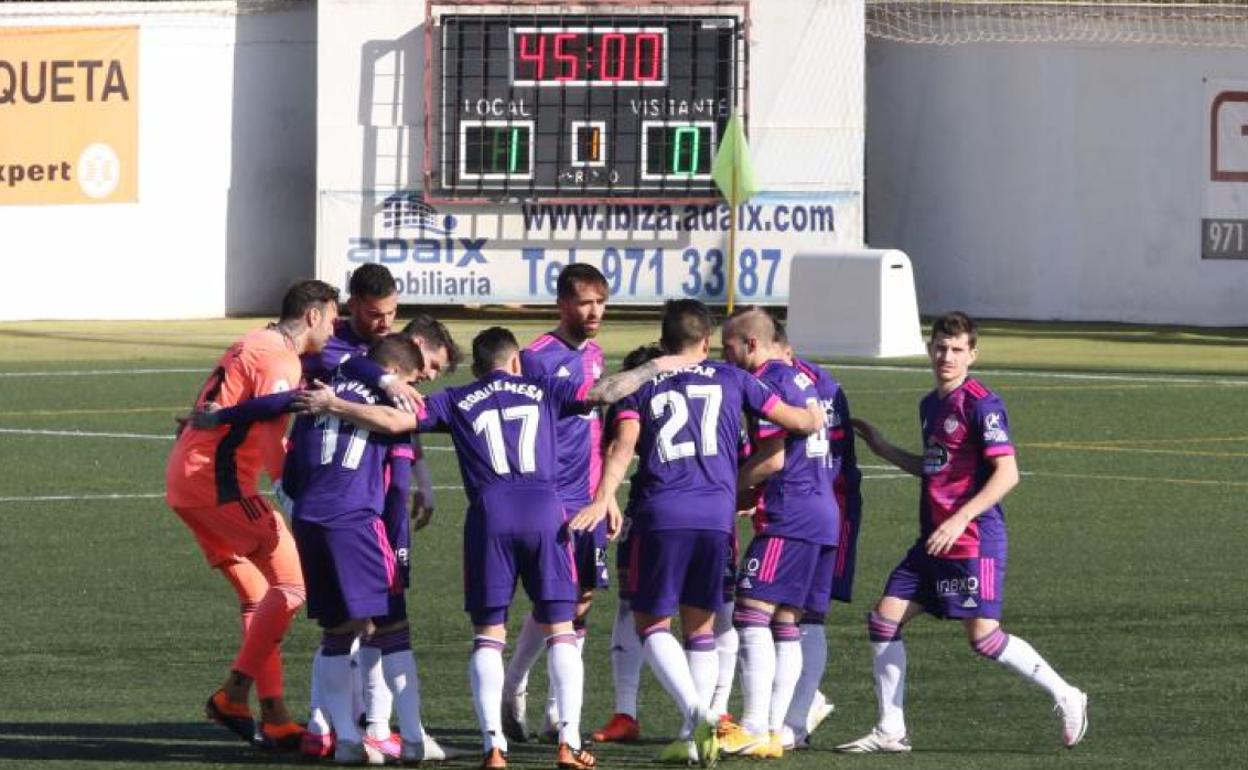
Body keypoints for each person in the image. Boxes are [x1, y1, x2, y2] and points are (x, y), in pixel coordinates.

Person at [297, 325, 697, 770]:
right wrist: (655, 366)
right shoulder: (544, 386)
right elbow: (604, 392)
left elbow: (395, 421)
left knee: (489, 636)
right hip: (545, 511)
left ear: (476, 365)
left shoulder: (455, 397)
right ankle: (569, 741)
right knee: (562, 629)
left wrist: (336, 404)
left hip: (489, 515)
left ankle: (494, 748)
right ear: (516, 361)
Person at [569, 299, 827, 766]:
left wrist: (604, 495)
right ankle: (693, 738)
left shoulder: (641, 385)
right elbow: (797, 421)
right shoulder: (736, 378)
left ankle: (698, 713)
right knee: (701, 629)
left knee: (651, 623)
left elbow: (622, 447)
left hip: (661, 513)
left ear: (663, 340)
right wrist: (813, 414)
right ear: (706, 340)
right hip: (716, 517)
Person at [836, 311, 1088, 753]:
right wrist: (885, 449)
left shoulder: (981, 404)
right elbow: (934, 468)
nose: (945, 357)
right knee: (883, 619)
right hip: (934, 539)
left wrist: (960, 519)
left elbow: (1007, 474)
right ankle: (891, 730)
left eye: (956, 350)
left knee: (984, 638)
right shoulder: (930, 405)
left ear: (972, 354)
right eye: (939, 347)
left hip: (972, 538)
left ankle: (1067, 694)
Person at [164, 279, 339, 749]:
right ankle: (234, 694)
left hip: (187, 477)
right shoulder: (281, 358)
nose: (334, 328)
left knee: (259, 596)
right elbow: (267, 432)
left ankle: (276, 715)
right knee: (293, 587)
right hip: (215, 484)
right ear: (314, 315)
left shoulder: (253, 341)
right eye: (333, 318)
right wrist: (288, 490)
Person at [285, 334, 428, 765]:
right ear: (400, 375)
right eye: (417, 379)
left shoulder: (317, 398)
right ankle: (415, 740)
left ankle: (346, 739)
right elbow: (399, 482)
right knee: (392, 626)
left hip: (309, 518)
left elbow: (291, 475)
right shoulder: (392, 404)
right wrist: (398, 546)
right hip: (357, 521)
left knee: (337, 632)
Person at [716, 308, 842, 759]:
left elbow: (772, 460)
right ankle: (772, 730)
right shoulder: (800, 377)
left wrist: (728, 486)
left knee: (750, 614)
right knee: (787, 621)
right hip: (822, 511)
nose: (723, 355)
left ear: (750, 344)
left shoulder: (768, 381)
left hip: (791, 514)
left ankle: (752, 725)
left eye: (727, 346)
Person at [502, 264, 620, 745]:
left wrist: (607, 495)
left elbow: (600, 432)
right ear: (562, 305)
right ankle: (515, 687)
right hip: (549, 495)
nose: (594, 312)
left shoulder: (595, 355)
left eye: (601, 302)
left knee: (583, 597)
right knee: (555, 598)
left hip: (588, 495)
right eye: (585, 302)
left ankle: (555, 713)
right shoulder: (536, 358)